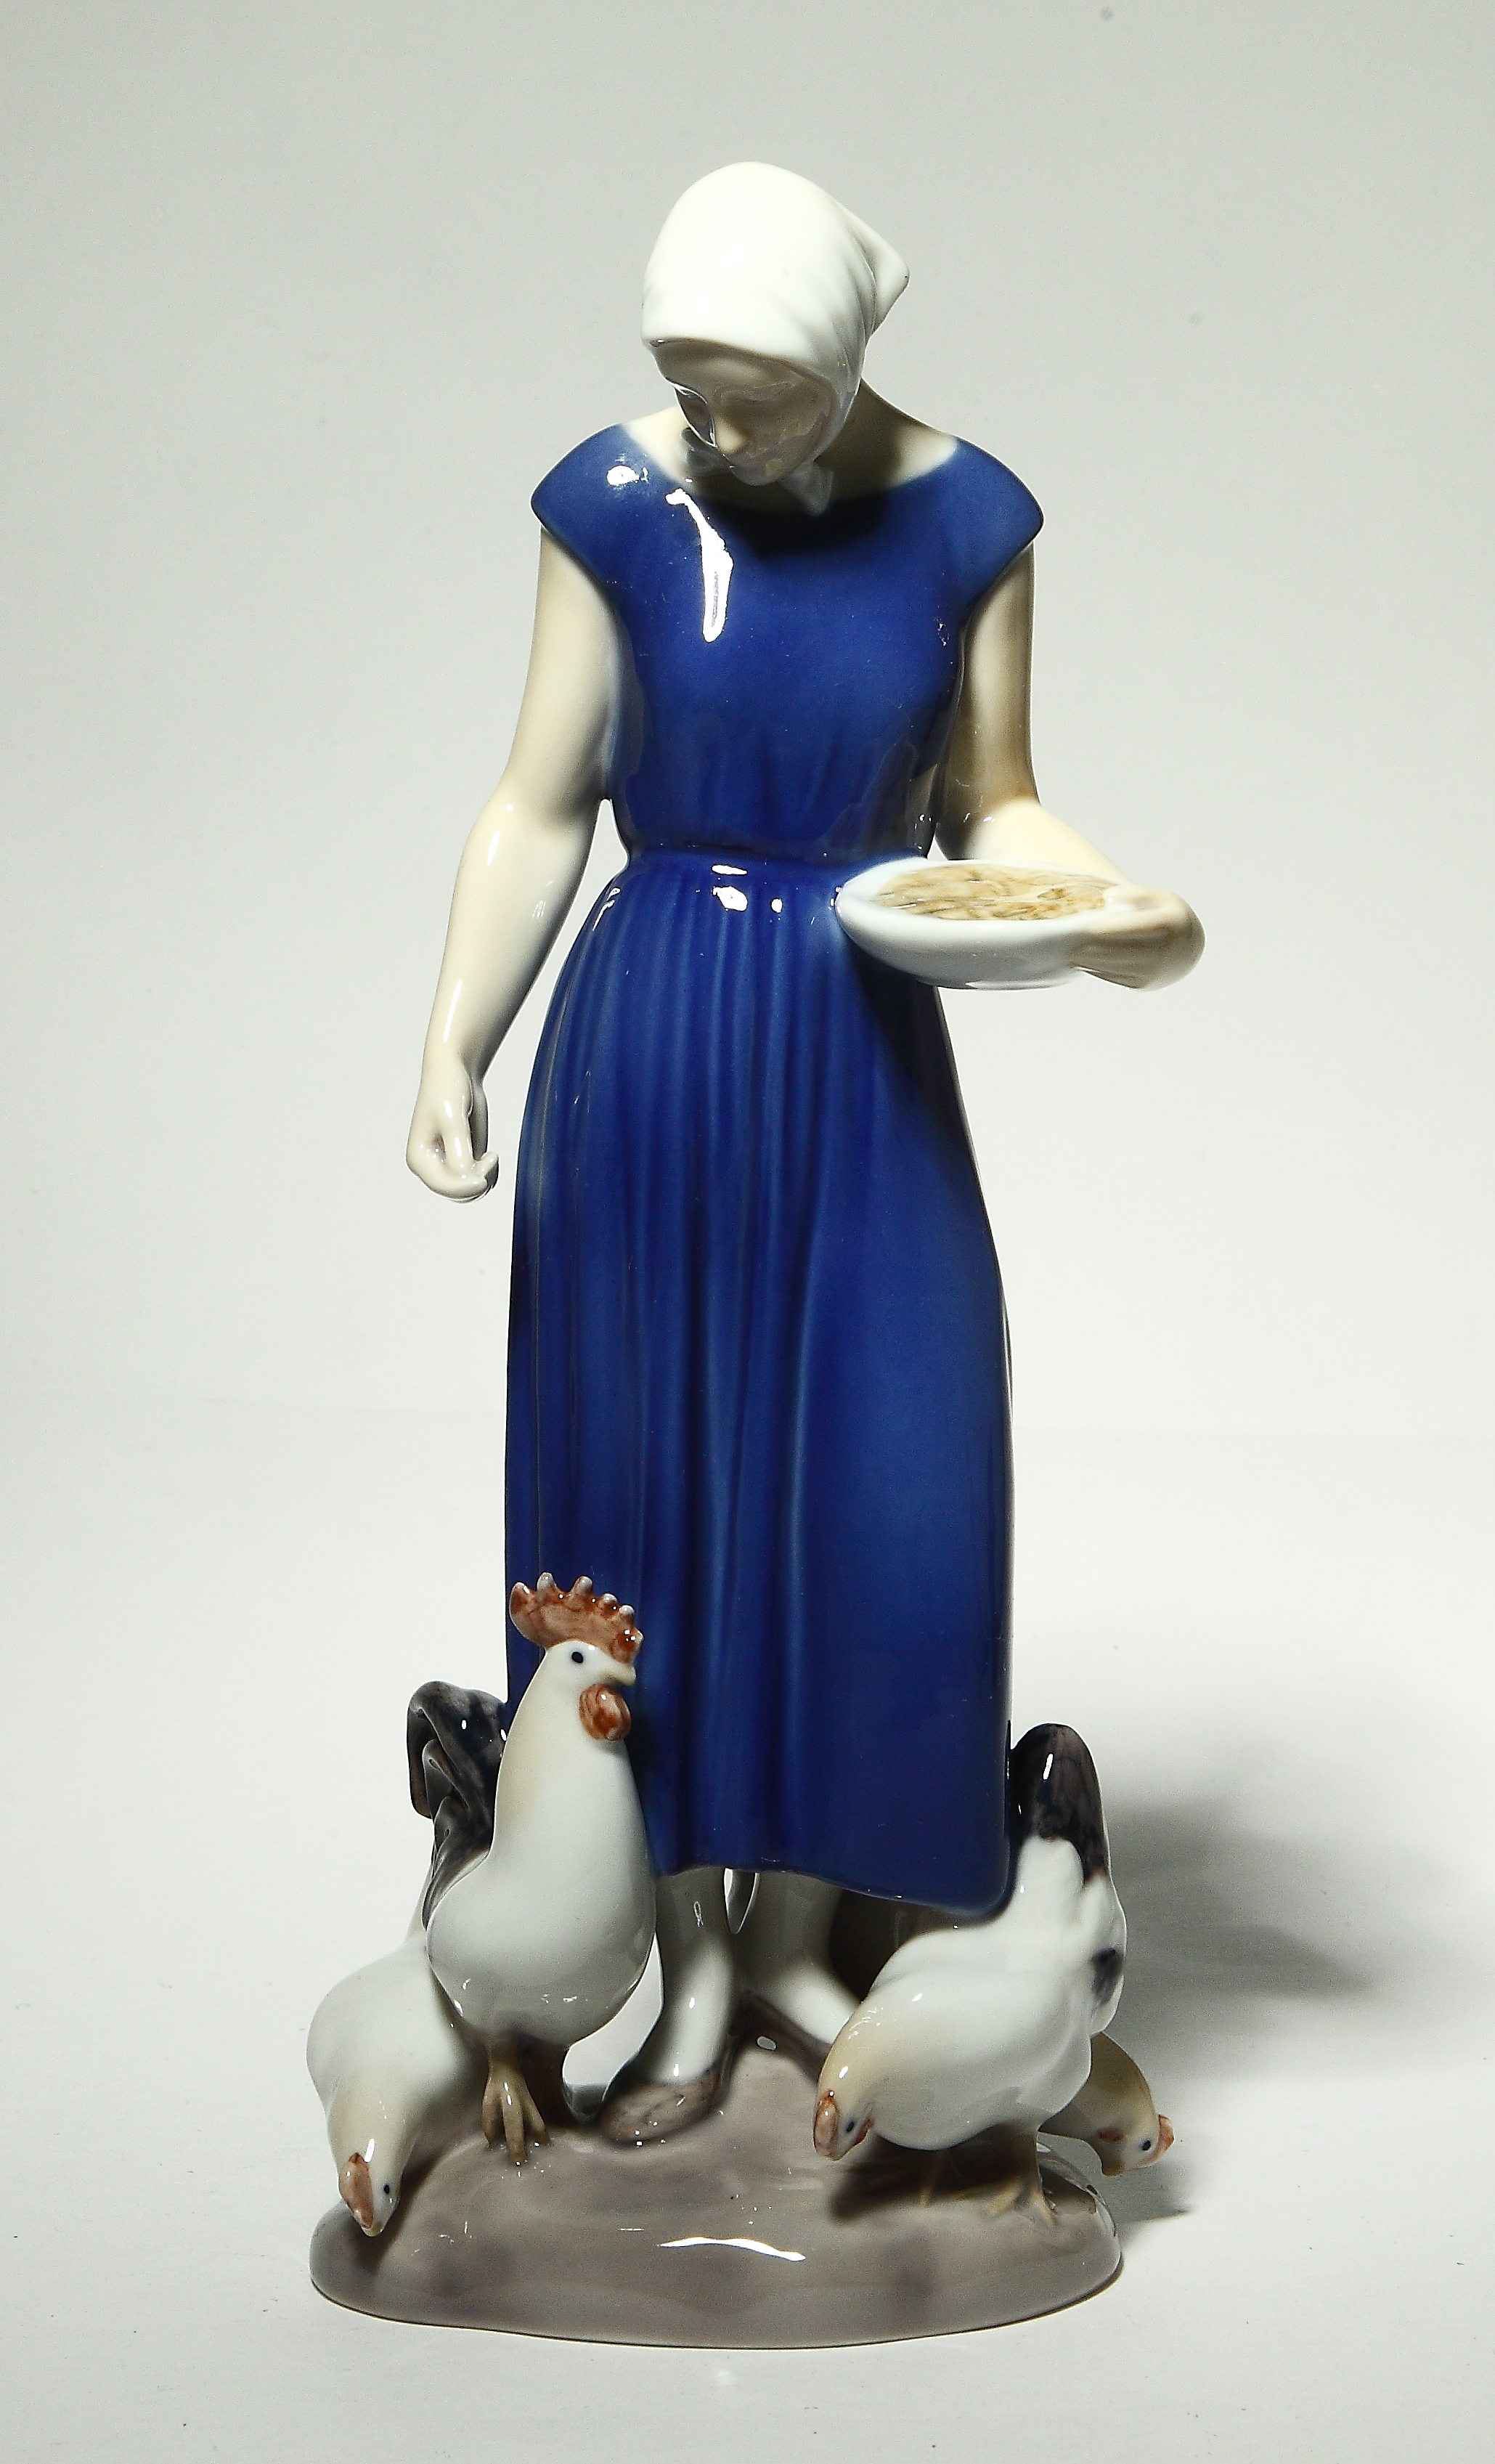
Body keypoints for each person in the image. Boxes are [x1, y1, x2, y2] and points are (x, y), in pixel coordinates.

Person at [407, 163, 1201, 2141]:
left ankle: (812, 1929)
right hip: (653, 1033)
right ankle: (684, 1964)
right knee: (642, 1490)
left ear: (846, 370)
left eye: (756, 397)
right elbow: (538, 800)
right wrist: (453, 1037)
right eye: (690, 389)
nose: (716, 430)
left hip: (856, 1034)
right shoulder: (611, 502)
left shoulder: (970, 521)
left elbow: (994, 806)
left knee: (893, 1473)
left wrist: (1106, 908)